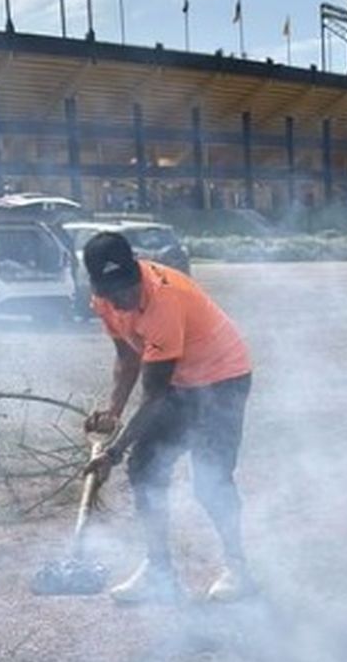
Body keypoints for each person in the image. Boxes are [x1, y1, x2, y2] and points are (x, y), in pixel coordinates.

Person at [83, 232, 253, 603]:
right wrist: (112, 412)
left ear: (136, 269)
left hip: (223, 378)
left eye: (128, 288)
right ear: (98, 287)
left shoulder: (164, 300)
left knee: (210, 480)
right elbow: (128, 358)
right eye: (114, 293)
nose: (123, 300)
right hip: (180, 379)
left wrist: (114, 452)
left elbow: (155, 395)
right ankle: (159, 572)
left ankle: (239, 568)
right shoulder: (104, 300)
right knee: (144, 468)